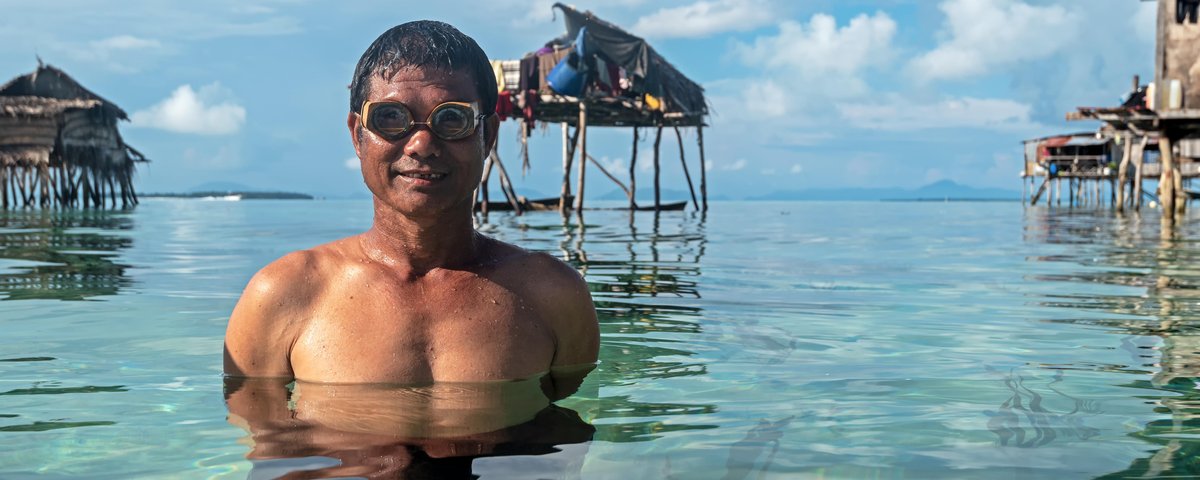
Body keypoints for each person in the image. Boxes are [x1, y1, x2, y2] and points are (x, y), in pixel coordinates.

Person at [223, 21, 600, 399]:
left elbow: (569, 436)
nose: (421, 143)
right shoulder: (283, 296)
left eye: (452, 118)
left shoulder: (553, 297)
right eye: (390, 118)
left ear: (488, 137)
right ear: (357, 135)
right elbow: (269, 449)